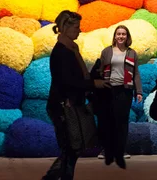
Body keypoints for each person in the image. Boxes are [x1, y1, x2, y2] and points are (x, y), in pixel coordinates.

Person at [43, 11, 110, 180]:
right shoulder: (62, 52)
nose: (79, 31)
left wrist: (95, 73)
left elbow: (78, 78)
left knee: (73, 148)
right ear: (65, 27)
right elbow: (67, 81)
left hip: (71, 102)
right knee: (70, 148)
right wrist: (94, 83)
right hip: (63, 105)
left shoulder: (71, 49)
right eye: (77, 27)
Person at [97, 25, 143, 168]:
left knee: (122, 121)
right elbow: (99, 71)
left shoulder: (132, 53)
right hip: (108, 90)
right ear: (115, 36)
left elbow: (135, 73)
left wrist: (139, 91)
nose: (121, 36)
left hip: (125, 91)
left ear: (127, 36)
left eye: (123, 34)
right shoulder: (106, 51)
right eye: (118, 34)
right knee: (107, 120)